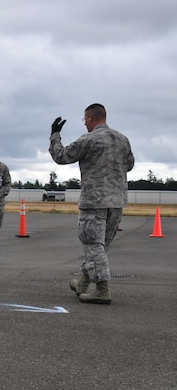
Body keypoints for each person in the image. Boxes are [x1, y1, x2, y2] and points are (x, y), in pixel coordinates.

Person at [49, 103, 134, 305]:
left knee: (93, 245)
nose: (84, 124)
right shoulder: (123, 139)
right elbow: (129, 165)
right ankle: (83, 283)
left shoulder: (89, 139)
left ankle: (102, 290)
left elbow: (61, 156)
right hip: (117, 201)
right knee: (100, 247)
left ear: (89, 118)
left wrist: (54, 135)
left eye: (84, 120)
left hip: (94, 201)